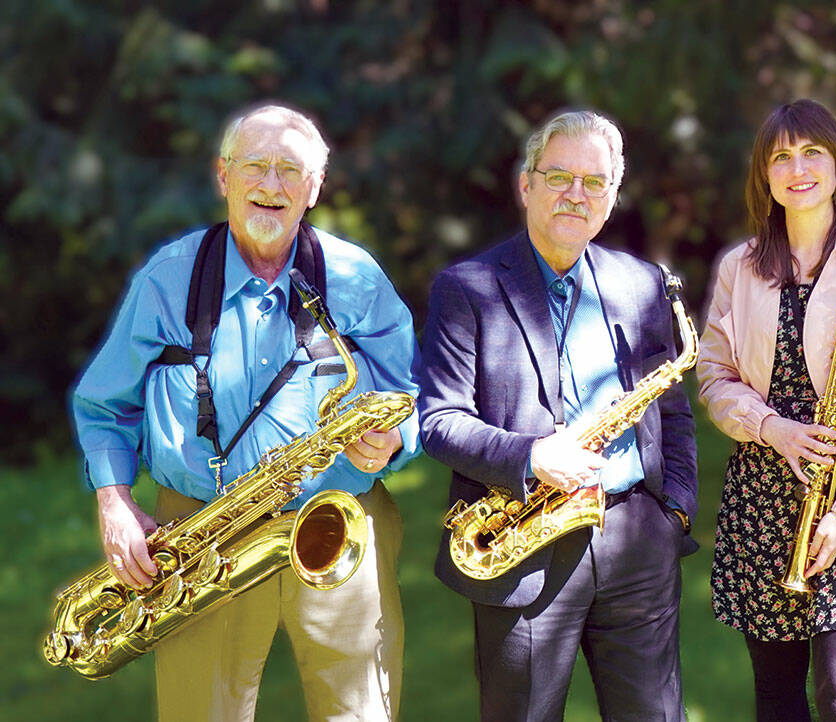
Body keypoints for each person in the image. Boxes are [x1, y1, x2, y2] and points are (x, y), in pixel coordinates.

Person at [72, 103, 419, 721]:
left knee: (360, 711)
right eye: (255, 166)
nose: (270, 185)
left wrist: (394, 437)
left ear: (314, 189)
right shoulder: (167, 280)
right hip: (201, 532)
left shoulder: (355, 277)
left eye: (290, 170)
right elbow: (104, 404)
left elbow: (408, 391)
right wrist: (114, 501)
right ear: (223, 176)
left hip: (338, 519)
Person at [416, 109, 698, 721]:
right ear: (526, 186)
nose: (577, 194)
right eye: (559, 177)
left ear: (612, 197)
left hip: (636, 541)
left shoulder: (642, 284)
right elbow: (438, 419)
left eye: (594, 182)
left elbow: (672, 411)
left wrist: (674, 507)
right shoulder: (467, 288)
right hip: (522, 542)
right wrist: (530, 456)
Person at [697, 99, 836, 721]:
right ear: (764, 176)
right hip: (764, 487)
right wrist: (774, 429)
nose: (798, 169)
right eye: (781, 157)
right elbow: (715, 376)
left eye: (812, 152)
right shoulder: (739, 267)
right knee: (776, 696)